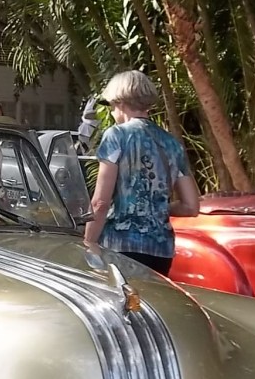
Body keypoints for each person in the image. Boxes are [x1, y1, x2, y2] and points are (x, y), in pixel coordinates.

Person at [83, 70, 200, 276]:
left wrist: (88, 244)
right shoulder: (171, 143)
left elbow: (100, 203)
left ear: (120, 103)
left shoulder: (116, 135)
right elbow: (191, 206)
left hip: (120, 246)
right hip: (161, 251)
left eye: (110, 106)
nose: (111, 112)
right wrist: (154, 207)